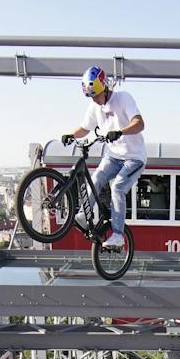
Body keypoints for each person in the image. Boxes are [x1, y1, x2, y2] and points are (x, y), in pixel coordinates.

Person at [65, 66, 144, 248]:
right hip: (113, 155)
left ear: (105, 89)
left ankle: (118, 235)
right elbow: (85, 128)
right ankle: (85, 216)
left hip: (134, 157)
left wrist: (120, 132)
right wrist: (71, 135)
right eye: (91, 96)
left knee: (117, 188)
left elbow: (139, 123)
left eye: (96, 95)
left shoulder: (123, 98)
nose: (95, 99)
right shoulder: (94, 106)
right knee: (97, 178)